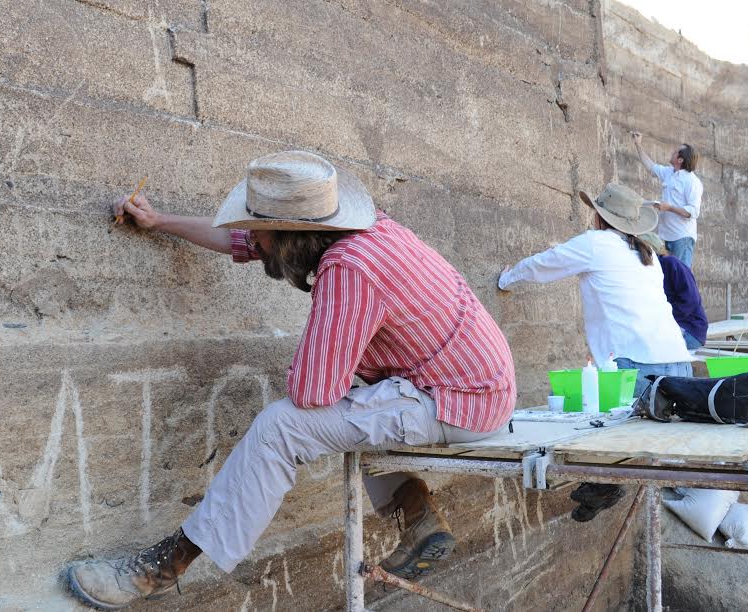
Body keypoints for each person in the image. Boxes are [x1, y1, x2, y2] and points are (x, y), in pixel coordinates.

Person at [67, 151, 516, 609]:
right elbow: (245, 243)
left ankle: (163, 568)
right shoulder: (363, 229)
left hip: (460, 401)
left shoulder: (348, 267)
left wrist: (314, 363)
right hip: (469, 385)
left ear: (291, 232)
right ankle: (418, 513)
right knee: (354, 398)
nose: (250, 237)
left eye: (258, 228)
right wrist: (160, 220)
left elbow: (310, 392)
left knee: (282, 427)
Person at [498, 183, 691, 522]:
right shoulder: (646, 255)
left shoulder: (596, 244)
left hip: (637, 368)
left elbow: (544, 264)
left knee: (596, 414)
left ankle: (603, 480)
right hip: (678, 366)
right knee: (629, 429)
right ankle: (601, 479)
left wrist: (505, 279)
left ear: (600, 217)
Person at [630, 131, 703, 268]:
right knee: (663, 277)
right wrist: (638, 144)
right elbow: (651, 167)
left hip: (681, 238)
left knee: (679, 278)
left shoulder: (692, 182)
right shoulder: (669, 173)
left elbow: (693, 212)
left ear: (680, 160)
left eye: (675, 152)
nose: (672, 153)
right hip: (664, 236)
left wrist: (669, 208)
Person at [641, 233, 708, 352]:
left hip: (690, 330)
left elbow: (691, 300)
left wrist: (664, 319)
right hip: (671, 327)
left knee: (646, 345)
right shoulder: (649, 271)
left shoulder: (670, 263)